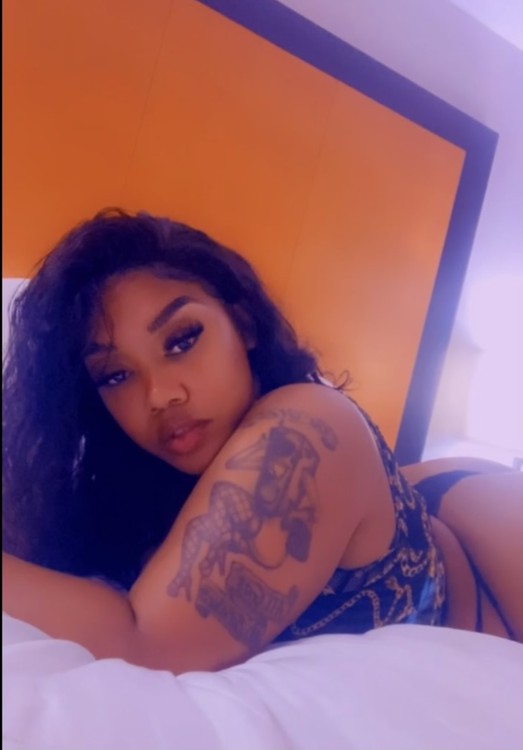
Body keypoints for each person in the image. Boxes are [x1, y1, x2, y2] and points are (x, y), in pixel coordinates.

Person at [2, 209, 522, 674]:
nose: (160, 395)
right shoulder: (127, 483)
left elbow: (146, 647)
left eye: (182, 340)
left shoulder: (306, 423)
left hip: (491, 569)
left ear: (243, 324)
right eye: (116, 375)